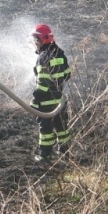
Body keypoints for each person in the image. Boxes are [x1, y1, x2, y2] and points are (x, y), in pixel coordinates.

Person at [30, 24, 71, 162]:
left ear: (41, 39)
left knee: (46, 129)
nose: (35, 44)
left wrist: (34, 101)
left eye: (36, 40)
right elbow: (67, 74)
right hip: (60, 100)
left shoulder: (42, 58)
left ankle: (45, 156)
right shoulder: (60, 53)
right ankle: (65, 152)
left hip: (46, 102)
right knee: (62, 127)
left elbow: (43, 84)